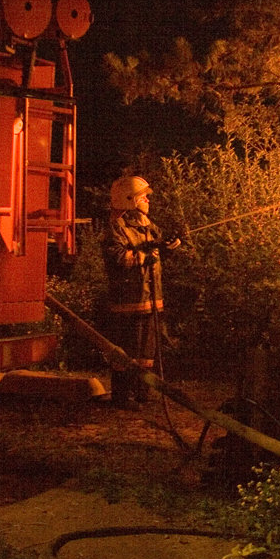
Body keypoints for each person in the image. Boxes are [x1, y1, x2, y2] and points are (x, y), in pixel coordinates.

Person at [101, 174, 179, 410]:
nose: (147, 200)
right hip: (128, 303)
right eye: (143, 196)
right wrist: (148, 255)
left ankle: (142, 395)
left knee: (147, 352)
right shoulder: (117, 228)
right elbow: (118, 257)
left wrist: (169, 246)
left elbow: (157, 246)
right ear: (129, 199)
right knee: (126, 353)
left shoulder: (148, 224)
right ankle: (122, 397)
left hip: (151, 300)